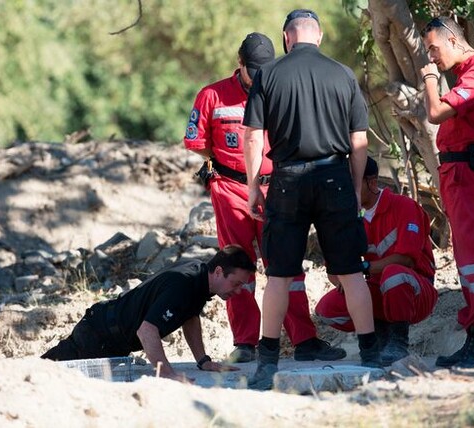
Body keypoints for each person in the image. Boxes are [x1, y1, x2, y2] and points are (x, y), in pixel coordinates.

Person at [183, 32, 345, 364]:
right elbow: (196, 142)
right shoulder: (211, 95)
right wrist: (225, 166)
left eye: (264, 71)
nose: (258, 78)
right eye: (252, 71)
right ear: (239, 63)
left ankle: (304, 340)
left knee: (285, 264)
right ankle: (245, 342)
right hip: (230, 190)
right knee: (237, 265)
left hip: (280, 188)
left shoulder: (281, 88)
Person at [243, 9, 378, 390]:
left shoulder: (268, 74)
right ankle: (370, 353)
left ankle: (267, 360)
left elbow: (253, 137)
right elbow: (358, 141)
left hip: (287, 179)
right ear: (319, 37)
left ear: (287, 38)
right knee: (351, 272)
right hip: (334, 176)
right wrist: (354, 187)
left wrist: (254, 186)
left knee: (280, 276)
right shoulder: (343, 74)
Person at [420, 16, 474, 368]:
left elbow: (436, 111)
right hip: (460, 172)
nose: (433, 57)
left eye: (434, 49)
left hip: (468, 173)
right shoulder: (468, 72)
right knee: (469, 256)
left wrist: (429, 80)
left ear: (453, 40)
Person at [41, 245, 256, 382]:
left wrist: (203, 361)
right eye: (235, 284)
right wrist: (167, 373)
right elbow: (146, 331)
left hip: (110, 336)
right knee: (44, 375)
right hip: (98, 334)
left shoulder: (200, 278)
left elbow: (190, 316)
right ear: (219, 271)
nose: (238, 291)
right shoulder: (183, 284)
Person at [315, 157, 438, 366]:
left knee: (394, 274)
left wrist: (361, 268)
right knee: (327, 309)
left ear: (372, 182)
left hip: (415, 290)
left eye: (352, 183)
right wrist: (344, 281)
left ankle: (398, 342)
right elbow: (334, 271)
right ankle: (380, 336)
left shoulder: (405, 207)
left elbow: (406, 259)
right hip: (376, 287)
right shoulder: (346, 218)